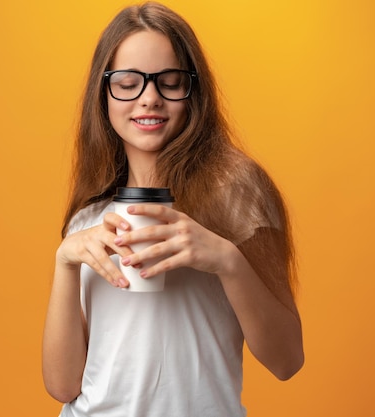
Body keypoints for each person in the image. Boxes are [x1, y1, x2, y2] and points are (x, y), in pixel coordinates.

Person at [42, 2, 304, 416]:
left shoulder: (238, 194)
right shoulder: (89, 218)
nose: (149, 99)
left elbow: (287, 360)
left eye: (169, 81)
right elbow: (62, 385)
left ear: (193, 91)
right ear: (103, 93)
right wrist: (65, 261)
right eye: (128, 83)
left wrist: (226, 260)